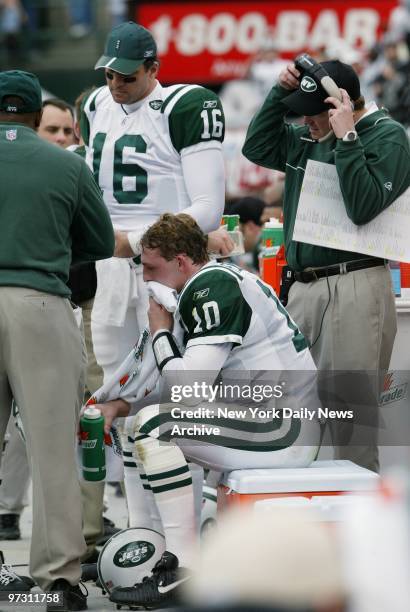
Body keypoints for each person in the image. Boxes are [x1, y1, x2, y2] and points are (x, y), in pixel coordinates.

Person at [96, 212, 320, 609]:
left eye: (151, 268)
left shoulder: (211, 287)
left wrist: (162, 331)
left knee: (155, 427)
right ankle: (149, 548)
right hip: (267, 418)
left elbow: (185, 387)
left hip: (282, 428)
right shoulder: (212, 280)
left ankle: (183, 570)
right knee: (138, 423)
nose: (146, 279)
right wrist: (124, 402)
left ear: (181, 261)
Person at [242, 58, 410, 472]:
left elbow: (363, 206)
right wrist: (278, 93)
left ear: (342, 105)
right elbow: (256, 147)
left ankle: (356, 526)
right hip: (302, 286)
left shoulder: (387, 136)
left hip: (353, 280)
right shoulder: (306, 136)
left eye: (313, 111)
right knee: (293, 415)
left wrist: (347, 137)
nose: (305, 120)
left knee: (351, 420)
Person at [0, 70, 114, 611]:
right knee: (52, 451)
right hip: (38, 302)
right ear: (31, 113)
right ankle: (58, 580)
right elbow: (95, 241)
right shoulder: (65, 163)